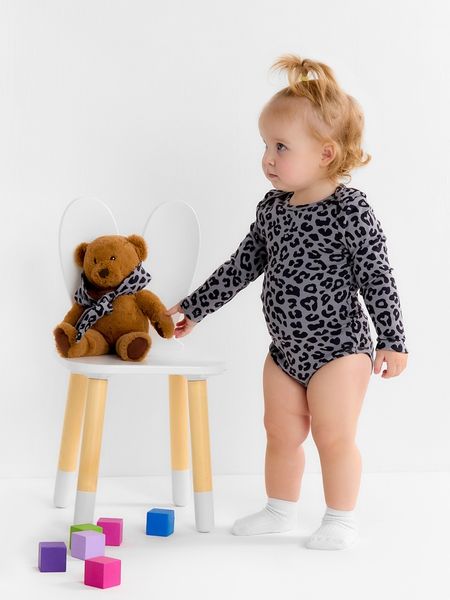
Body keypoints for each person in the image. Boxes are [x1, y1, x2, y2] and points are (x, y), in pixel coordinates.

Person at [165, 54, 409, 551]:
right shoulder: (273, 209)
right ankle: (279, 510)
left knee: (333, 436)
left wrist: (392, 339)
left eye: (280, 146)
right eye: (265, 145)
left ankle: (340, 519)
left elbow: (377, 277)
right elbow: (241, 266)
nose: (268, 159)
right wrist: (194, 307)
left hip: (340, 350)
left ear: (325, 153)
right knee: (279, 432)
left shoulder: (350, 210)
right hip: (285, 351)